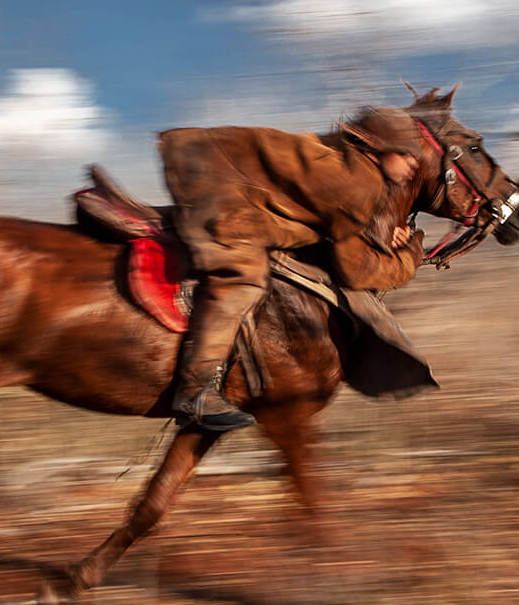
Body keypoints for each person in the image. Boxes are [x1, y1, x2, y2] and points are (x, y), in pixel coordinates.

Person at [158, 105, 431, 431]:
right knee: (243, 279)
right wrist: (408, 258)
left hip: (204, 165)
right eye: (405, 154)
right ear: (375, 148)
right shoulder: (362, 185)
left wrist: (383, 235)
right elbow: (355, 270)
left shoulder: (338, 155)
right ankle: (195, 391)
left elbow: (334, 219)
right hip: (221, 195)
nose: (414, 164)